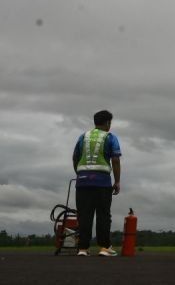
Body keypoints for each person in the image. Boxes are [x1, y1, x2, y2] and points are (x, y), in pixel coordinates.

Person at [72, 109, 122, 257]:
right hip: (102, 182)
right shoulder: (110, 137)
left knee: (84, 215)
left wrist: (80, 174)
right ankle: (105, 247)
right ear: (107, 123)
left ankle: (83, 248)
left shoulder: (83, 137)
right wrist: (117, 181)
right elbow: (116, 160)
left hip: (82, 182)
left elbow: (75, 158)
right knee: (103, 215)